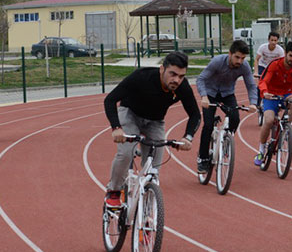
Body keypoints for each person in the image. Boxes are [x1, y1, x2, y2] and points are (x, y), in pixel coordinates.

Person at [103, 51, 198, 207]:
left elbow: (195, 114)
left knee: (154, 167)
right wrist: (116, 128)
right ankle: (114, 190)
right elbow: (110, 100)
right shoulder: (142, 77)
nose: (176, 80)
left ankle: (147, 204)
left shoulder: (182, 87)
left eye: (181, 76)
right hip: (130, 114)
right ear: (162, 69)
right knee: (126, 153)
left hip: (155, 121)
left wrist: (188, 137)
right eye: (172, 74)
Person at [195, 40, 257, 173]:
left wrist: (253, 103)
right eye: (237, 57)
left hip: (227, 94)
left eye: (243, 58)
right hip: (210, 93)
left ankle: (226, 142)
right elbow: (201, 79)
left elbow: (251, 85)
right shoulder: (217, 61)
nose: (240, 61)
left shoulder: (244, 66)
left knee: (235, 119)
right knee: (208, 125)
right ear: (230, 53)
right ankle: (202, 158)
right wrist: (204, 96)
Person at [255, 41, 292, 165]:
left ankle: (288, 129)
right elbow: (263, 81)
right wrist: (265, 92)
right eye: (291, 56)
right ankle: (261, 150)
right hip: (271, 95)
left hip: (287, 94)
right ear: (285, 53)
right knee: (269, 121)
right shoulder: (274, 64)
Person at [254, 31, 284, 107]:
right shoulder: (263, 47)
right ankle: (257, 103)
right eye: (272, 40)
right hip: (263, 66)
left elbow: (282, 64)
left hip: (273, 68)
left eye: (275, 40)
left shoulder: (280, 50)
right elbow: (256, 59)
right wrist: (256, 72)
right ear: (268, 40)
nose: (273, 42)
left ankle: (275, 102)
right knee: (261, 84)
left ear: (277, 41)